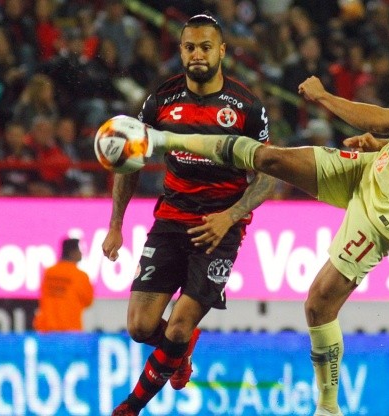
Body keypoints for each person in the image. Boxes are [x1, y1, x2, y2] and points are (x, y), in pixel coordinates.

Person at [142, 16, 389, 416]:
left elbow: (380, 116)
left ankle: (328, 408)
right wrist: (382, 144)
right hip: (372, 167)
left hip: (384, 211)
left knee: (319, 305)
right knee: (269, 158)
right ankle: (165, 138)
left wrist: (324, 96)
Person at [103, 14, 275, 416]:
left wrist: (230, 216)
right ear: (181, 51)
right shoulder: (160, 100)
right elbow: (129, 162)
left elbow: (270, 178)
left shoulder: (247, 107)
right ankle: (179, 355)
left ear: (221, 52)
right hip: (170, 221)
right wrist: (115, 227)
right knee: (141, 328)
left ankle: (130, 408)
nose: (197, 54)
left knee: (178, 326)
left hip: (217, 231)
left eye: (205, 47)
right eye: (190, 47)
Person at [33, 238, 93, 332]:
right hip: (70, 330)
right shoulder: (81, 276)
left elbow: (42, 297)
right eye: (79, 250)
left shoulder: (49, 272)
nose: (81, 253)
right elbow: (88, 302)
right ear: (72, 252)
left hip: (46, 329)